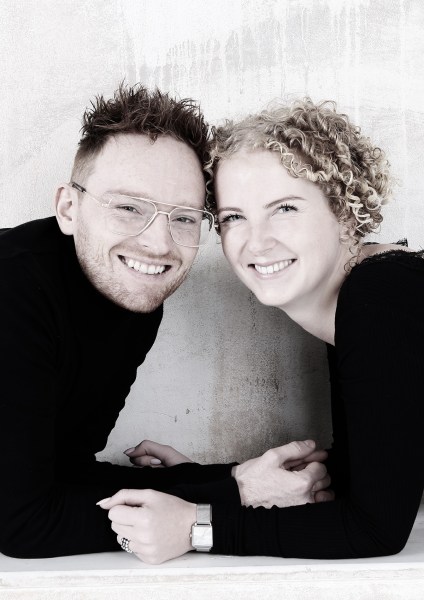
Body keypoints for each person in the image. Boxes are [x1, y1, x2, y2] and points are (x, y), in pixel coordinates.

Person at [0, 86, 329, 559]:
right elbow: (21, 524)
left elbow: (63, 476)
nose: (158, 245)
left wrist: (231, 477)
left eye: (184, 218)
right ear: (68, 208)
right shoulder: (15, 290)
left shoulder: (133, 294)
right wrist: (235, 495)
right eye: (127, 207)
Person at [100, 98, 424, 564]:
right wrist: (216, 482)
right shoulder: (363, 297)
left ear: (343, 212)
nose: (257, 242)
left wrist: (195, 528)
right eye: (234, 217)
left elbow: (375, 530)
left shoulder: (382, 296)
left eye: (284, 208)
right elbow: (363, 479)